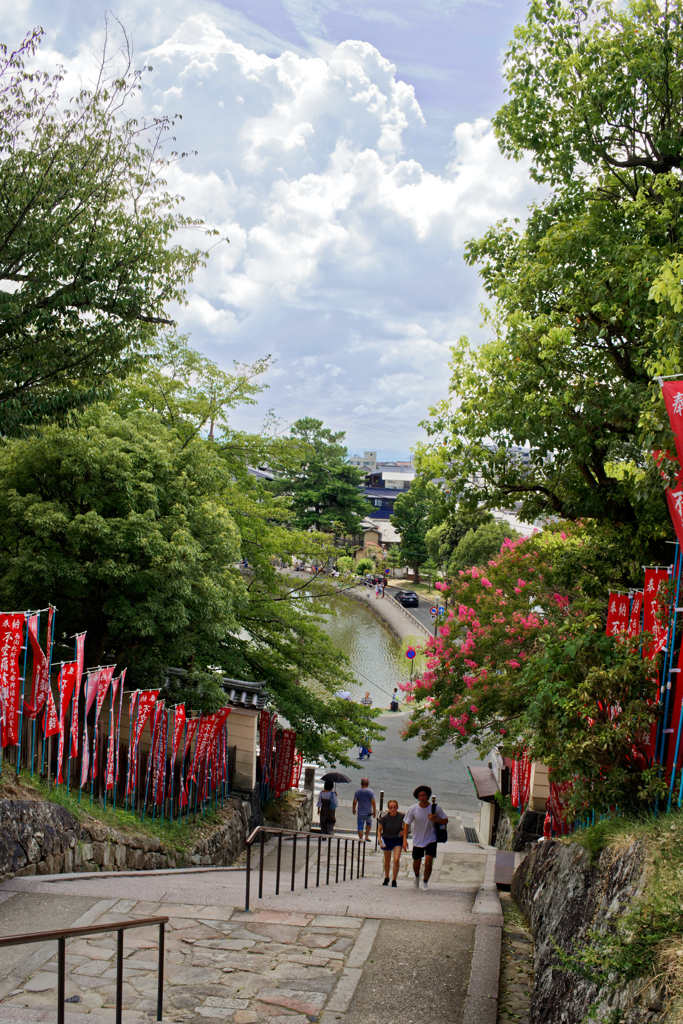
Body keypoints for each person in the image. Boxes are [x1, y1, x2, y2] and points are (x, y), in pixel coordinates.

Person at [402, 785, 448, 891]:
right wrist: (404, 840)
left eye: (424, 795)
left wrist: (436, 819)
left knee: (428, 861)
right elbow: (406, 824)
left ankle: (426, 881)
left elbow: (445, 820)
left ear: (428, 796)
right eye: (420, 795)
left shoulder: (435, 808)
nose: (422, 797)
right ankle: (417, 877)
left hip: (431, 838)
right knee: (416, 862)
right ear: (417, 797)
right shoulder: (413, 809)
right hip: (417, 839)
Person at [378, 799, 404, 887]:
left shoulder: (402, 816)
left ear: (397, 807)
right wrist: (380, 841)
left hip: (397, 839)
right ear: (388, 808)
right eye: (391, 807)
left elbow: (407, 827)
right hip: (387, 839)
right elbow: (379, 830)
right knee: (387, 860)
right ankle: (386, 877)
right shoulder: (384, 818)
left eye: (394, 807)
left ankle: (394, 880)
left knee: (396, 859)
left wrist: (404, 832)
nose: (393, 809)